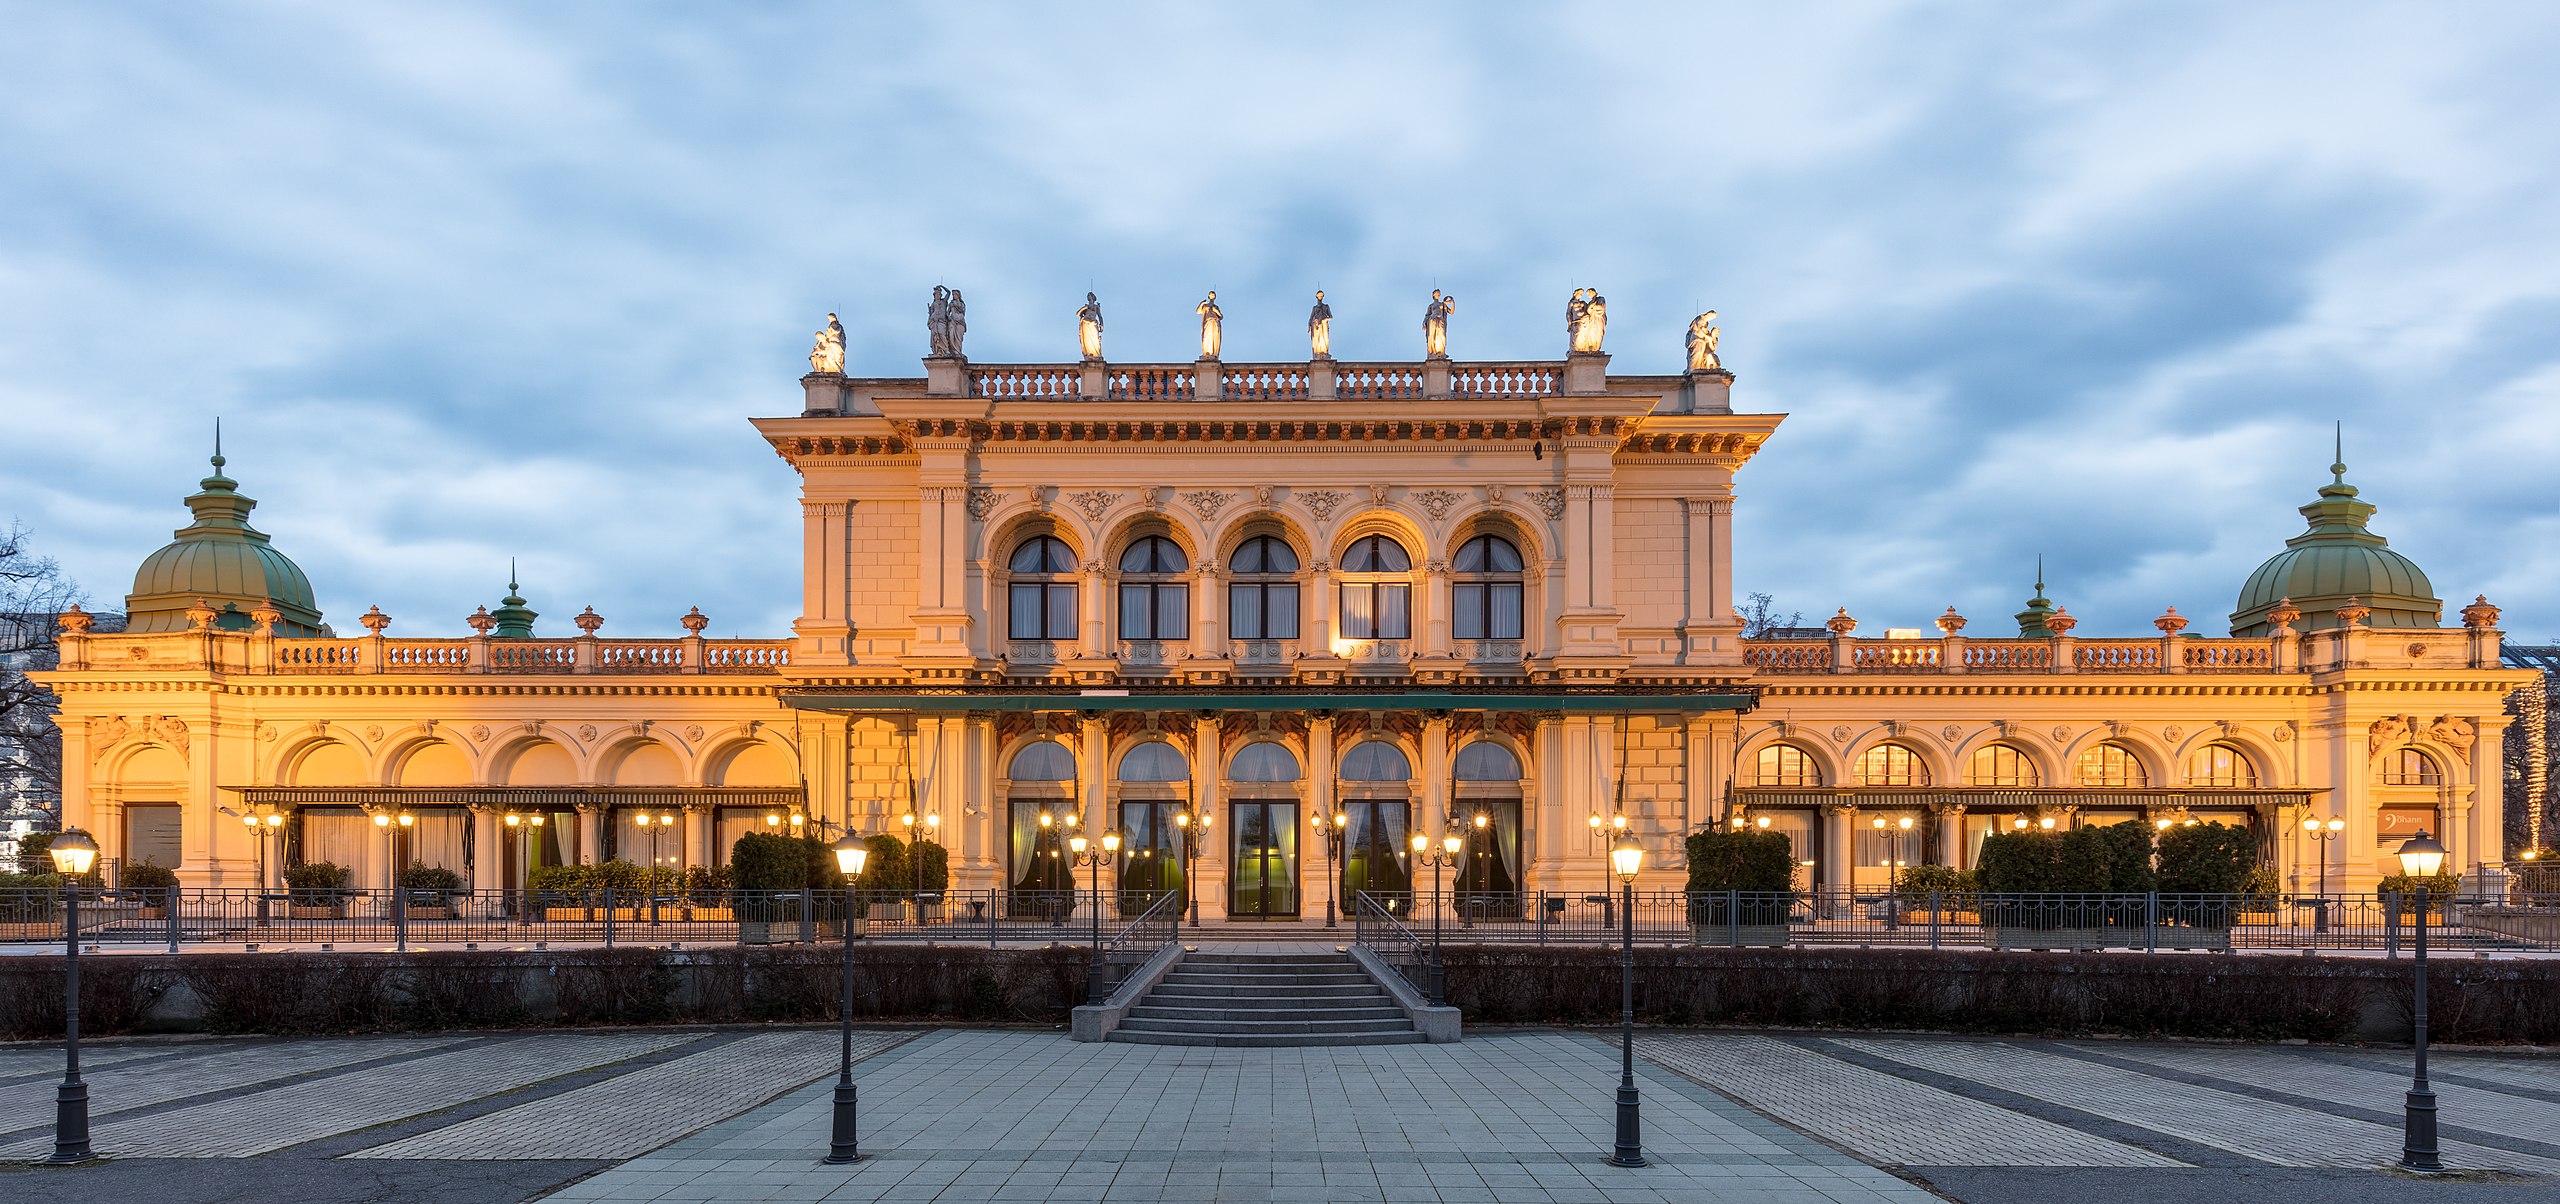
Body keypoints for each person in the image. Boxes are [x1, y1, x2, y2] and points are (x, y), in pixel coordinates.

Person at [1424, 289, 1455, 358]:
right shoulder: (1431, 305)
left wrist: (1453, 303)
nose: (1439, 294)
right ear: (1433, 295)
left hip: (1440, 320)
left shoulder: (1443, 304)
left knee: (1442, 336)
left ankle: (1441, 352)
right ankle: (1433, 353)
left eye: (1439, 293)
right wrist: (1424, 323)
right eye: (1437, 293)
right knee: (1432, 336)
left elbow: (1451, 312)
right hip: (1432, 320)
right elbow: (1427, 315)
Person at [1077, 292, 1105, 360]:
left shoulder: (1096, 307)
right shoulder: (1086, 306)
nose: (1088, 297)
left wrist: (1101, 324)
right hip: (1085, 323)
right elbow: (1078, 313)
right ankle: (1089, 354)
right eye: (1088, 296)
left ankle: (1096, 354)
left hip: (1093, 323)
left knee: (1095, 338)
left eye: (1089, 295)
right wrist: (1085, 308)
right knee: (1087, 338)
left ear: (1092, 297)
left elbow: (1100, 316)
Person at [1196, 290, 1224, 359]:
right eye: (1211, 295)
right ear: (1208, 296)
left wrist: (1215, 311)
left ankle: (1213, 353)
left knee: (1214, 337)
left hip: (1215, 322)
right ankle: (1206, 353)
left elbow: (1221, 316)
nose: (1212, 296)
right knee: (1207, 336)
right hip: (1208, 322)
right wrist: (1201, 303)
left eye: (1213, 295)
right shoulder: (1205, 306)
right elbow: (1198, 311)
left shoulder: (1216, 307)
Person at [1307, 290, 1333, 358]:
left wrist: (1325, 319)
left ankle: (1324, 353)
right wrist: (1309, 326)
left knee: (1324, 338)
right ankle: (1317, 353)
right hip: (1315, 325)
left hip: (1324, 324)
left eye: (1321, 296)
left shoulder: (1326, 306)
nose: (1320, 297)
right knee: (1316, 339)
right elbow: (1311, 317)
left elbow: (1331, 317)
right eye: (1319, 296)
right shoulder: (1314, 308)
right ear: (1316, 297)